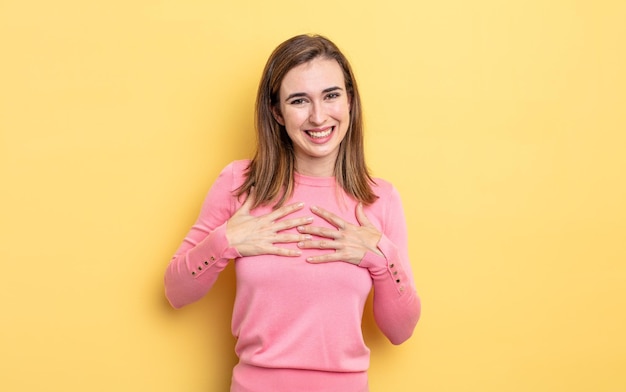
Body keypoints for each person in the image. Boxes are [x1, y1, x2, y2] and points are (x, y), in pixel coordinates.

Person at [164, 34, 421, 392]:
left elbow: (400, 330)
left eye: (331, 95)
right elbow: (176, 291)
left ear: (349, 101)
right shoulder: (239, 183)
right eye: (299, 100)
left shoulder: (380, 199)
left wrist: (381, 256)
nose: (318, 117)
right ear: (277, 112)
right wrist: (226, 241)